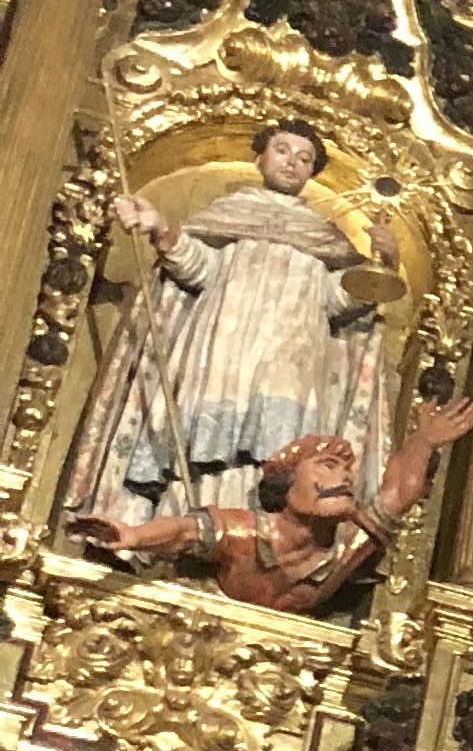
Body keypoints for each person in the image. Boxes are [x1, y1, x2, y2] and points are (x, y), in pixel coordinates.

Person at [61, 120, 391, 533]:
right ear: (259, 158)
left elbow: (339, 299)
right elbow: (199, 267)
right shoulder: (229, 214)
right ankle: (179, 527)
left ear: (311, 173)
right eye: (282, 150)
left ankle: (256, 534)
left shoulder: (324, 238)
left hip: (291, 358)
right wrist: (160, 228)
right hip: (221, 348)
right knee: (202, 440)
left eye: (304, 158)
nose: (292, 162)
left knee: (276, 451)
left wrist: (382, 267)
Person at [72, 397, 473, 614]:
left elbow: (399, 492)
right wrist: (133, 535)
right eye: (328, 466)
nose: (344, 479)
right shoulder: (247, 533)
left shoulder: (345, 550)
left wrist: (424, 441)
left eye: (346, 472)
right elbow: (184, 532)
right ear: (287, 485)